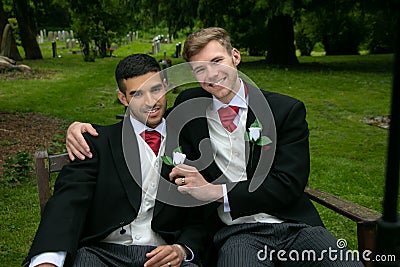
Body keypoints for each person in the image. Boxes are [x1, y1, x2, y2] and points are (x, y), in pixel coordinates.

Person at [65, 28, 363, 266]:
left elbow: (289, 183)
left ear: (235, 57)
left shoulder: (284, 111)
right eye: (199, 69)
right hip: (236, 233)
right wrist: (78, 128)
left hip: (295, 225)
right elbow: (146, 116)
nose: (210, 75)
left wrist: (217, 192)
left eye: (217, 62)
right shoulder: (188, 108)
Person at [23, 54, 210, 267]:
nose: (151, 102)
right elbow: (68, 201)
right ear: (123, 98)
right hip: (102, 255)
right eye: (137, 94)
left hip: (164, 257)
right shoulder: (97, 143)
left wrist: (182, 249)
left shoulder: (189, 142)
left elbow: (200, 214)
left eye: (156, 90)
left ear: (166, 86)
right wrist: (48, 261)